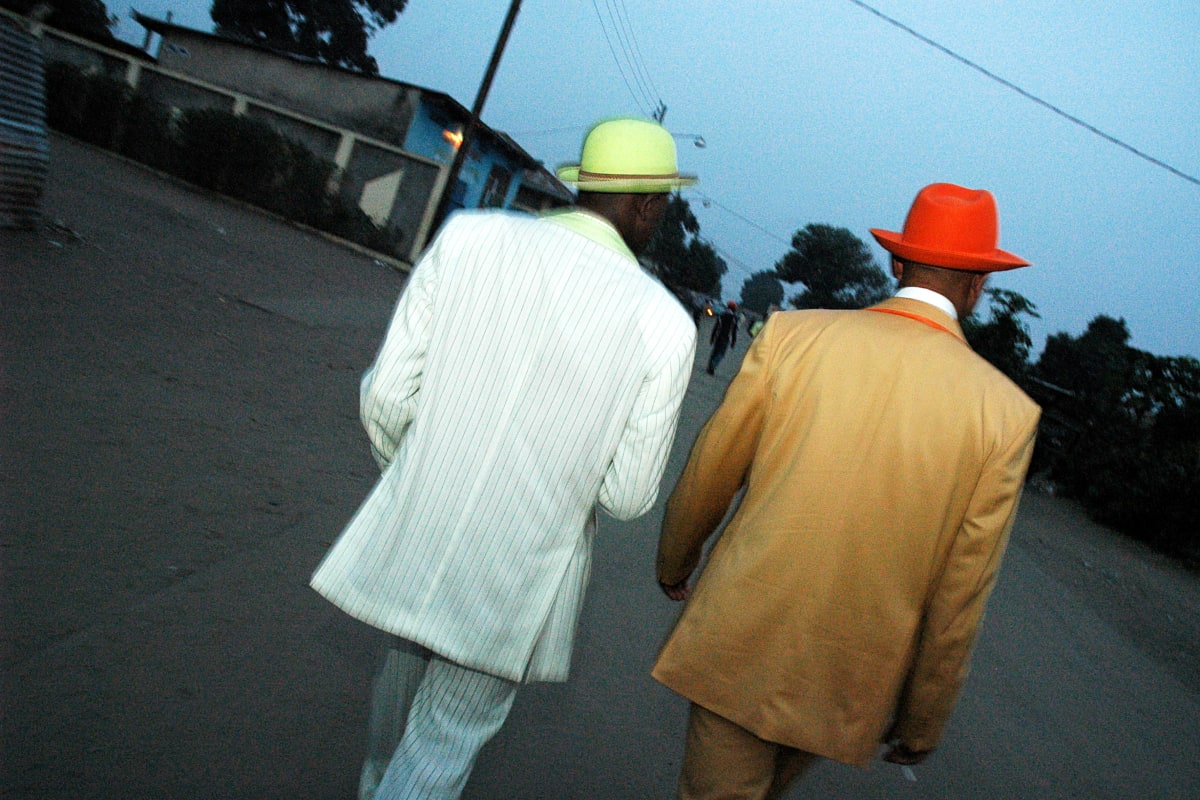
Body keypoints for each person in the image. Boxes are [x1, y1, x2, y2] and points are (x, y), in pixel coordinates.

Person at [310, 117, 698, 800]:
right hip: (517, 572)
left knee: (397, 708)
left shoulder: (469, 239)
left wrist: (420, 478)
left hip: (421, 525)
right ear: (647, 206)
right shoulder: (662, 322)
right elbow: (629, 495)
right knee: (442, 743)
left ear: (583, 185)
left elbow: (385, 397)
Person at [652, 182, 1041, 799]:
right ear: (977, 287)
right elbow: (961, 592)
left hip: (743, 637)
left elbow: (712, 470)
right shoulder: (1006, 414)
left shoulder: (793, 338)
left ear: (895, 262)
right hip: (849, 678)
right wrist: (922, 717)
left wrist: (676, 558)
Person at [706, 300, 739, 374]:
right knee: (720, 354)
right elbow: (734, 331)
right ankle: (713, 366)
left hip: (718, 336)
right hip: (726, 338)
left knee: (715, 352)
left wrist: (712, 337)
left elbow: (716, 327)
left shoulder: (722, 315)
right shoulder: (734, 318)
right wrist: (733, 341)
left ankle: (709, 366)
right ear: (734, 309)